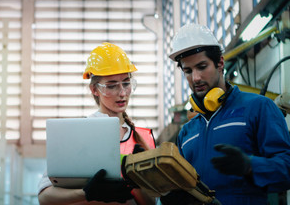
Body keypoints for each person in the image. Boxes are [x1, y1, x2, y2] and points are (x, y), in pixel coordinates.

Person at [160, 23, 290, 205]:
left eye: (202, 66)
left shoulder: (258, 108)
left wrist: (250, 166)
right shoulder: (187, 133)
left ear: (220, 63)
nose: (195, 78)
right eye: (188, 71)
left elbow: (287, 167)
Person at [38, 42, 156, 205]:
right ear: (94, 89)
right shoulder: (78, 133)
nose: (122, 93)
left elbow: (151, 202)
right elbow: (44, 197)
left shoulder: (144, 138)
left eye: (126, 83)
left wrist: (135, 184)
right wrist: (86, 193)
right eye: (112, 86)